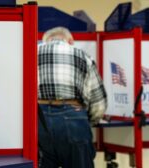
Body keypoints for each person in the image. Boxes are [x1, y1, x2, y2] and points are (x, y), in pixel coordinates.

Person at [38, 27, 108, 168]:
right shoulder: (82, 56)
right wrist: (89, 119)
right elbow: (98, 102)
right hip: (73, 117)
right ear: (70, 40)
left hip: (37, 119)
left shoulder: (30, 52)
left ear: (45, 41)